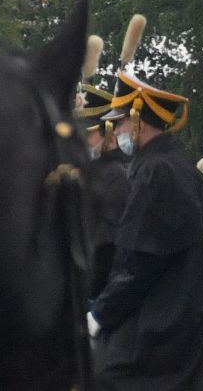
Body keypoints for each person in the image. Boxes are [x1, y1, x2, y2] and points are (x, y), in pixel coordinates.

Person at [92, 63, 203, 391]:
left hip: (175, 310)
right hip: (188, 298)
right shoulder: (172, 162)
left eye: (118, 124)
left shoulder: (155, 170)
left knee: (107, 376)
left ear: (136, 120)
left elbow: (140, 263)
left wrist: (100, 313)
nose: (115, 132)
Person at [79, 78, 132, 297]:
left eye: (87, 134)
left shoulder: (115, 176)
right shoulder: (91, 172)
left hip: (98, 293)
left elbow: (104, 247)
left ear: (108, 132)